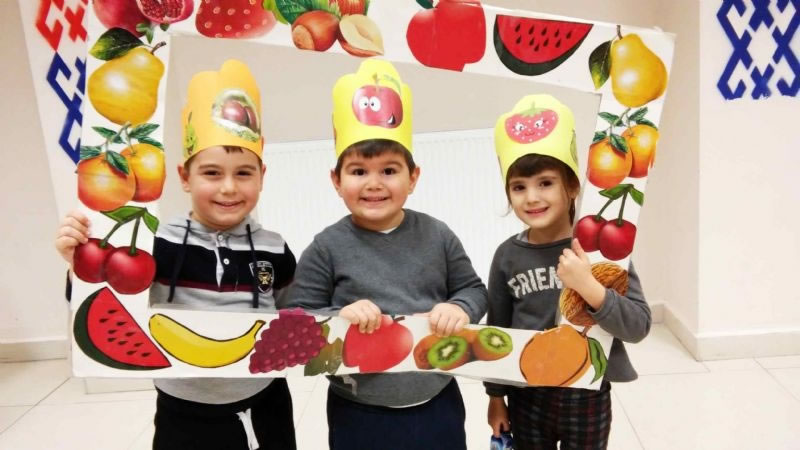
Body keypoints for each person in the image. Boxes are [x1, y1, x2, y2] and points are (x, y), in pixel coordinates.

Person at [55, 60, 297, 450]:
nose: (229, 188)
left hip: (265, 401)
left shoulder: (275, 247)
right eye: (212, 173)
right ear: (185, 177)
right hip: (182, 408)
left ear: (262, 176)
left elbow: (293, 313)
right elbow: (109, 303)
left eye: (244, 173)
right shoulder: (154, 244)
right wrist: (78, 266)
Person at [283, 59, 488, 450]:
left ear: (413, 178)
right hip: (358, 410)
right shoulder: (326, 247)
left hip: (437, 401)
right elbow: (299, 319)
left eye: (389, 171)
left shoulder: (438, 234)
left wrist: (459, 307)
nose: (374, 184)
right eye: (358, 171)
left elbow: (474, 290)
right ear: (336, 181)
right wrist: (338, 316)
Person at [484, 94, 651, 450]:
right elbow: (497, 327)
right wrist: (496, 397)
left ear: (573, 186)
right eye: (519, 187)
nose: (531, 197)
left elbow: (638, 326)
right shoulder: (506, 256)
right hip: (527, 393)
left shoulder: (600, 250)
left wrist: (589, 287)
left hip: (587, 393)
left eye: (545, 183)